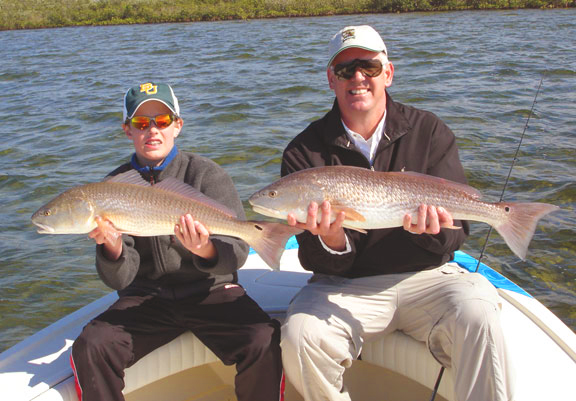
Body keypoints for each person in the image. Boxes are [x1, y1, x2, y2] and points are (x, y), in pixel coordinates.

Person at [280, 26, 514, 401]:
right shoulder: (304, 153)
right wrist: (331, 239)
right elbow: (311, 259)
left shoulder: (429, 130)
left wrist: (435, 232)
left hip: (430, 277)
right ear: (331, 80)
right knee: (300, 336)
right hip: (345, 286)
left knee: (480, 315)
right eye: (345, 70)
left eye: (369, 67)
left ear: (388, 73)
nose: (358, 78)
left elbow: (458, 234)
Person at [71, 82, 283, 401]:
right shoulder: (112, 188)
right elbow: (120, 278)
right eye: (141, 123)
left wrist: (206, 250)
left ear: (178, 126)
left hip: (210, 290)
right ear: (127, 130)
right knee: (91, 345)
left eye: (163, 120)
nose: (152, 130)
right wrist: (112, 248)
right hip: (145, 297)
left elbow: (237, 254)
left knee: (262, 339)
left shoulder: (206, 174)